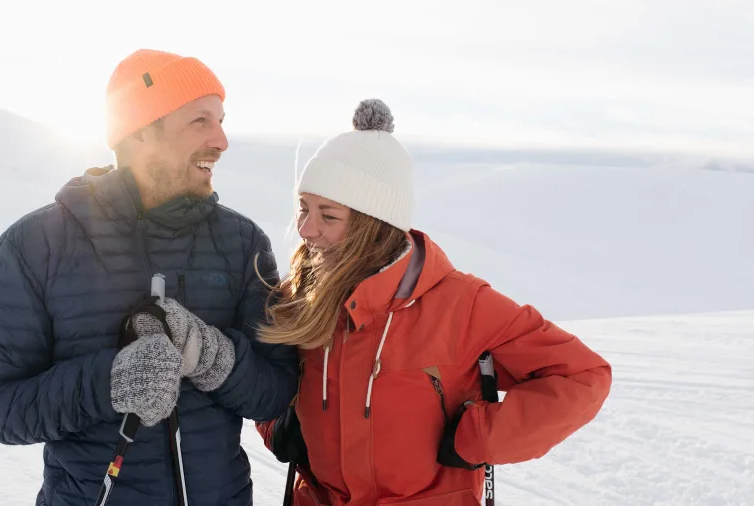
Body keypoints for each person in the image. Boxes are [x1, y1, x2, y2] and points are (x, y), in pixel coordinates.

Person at [0, 48, 299, 506]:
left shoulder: (243, 244)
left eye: (221, 120)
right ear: (140, 132)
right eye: (200, 121)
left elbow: (277, 393)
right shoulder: (35, 245)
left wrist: (216, 359)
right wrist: (109, 383)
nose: (221, 140)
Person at [251, 99, 613, 505]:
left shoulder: (463, 304)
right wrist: (276, 423)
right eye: (303, 209)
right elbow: (261, 378)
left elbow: (583, 377)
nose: (305, 229)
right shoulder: (300, 298)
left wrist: (477, 438)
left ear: (374, 225)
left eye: (328, 215)